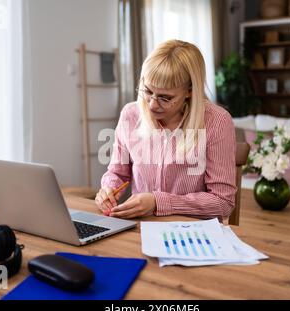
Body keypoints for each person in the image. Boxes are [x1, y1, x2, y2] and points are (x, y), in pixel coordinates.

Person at [95, 39, 237, 221]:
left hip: (193, 233)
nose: (153, 104)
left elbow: (223, 203)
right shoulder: (130, 115)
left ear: (190, 91)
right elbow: (117, 172)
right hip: (140, 227)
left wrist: (157, 201)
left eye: (165, 97)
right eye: (147, 91)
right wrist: (108, 188)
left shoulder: (217, 121)